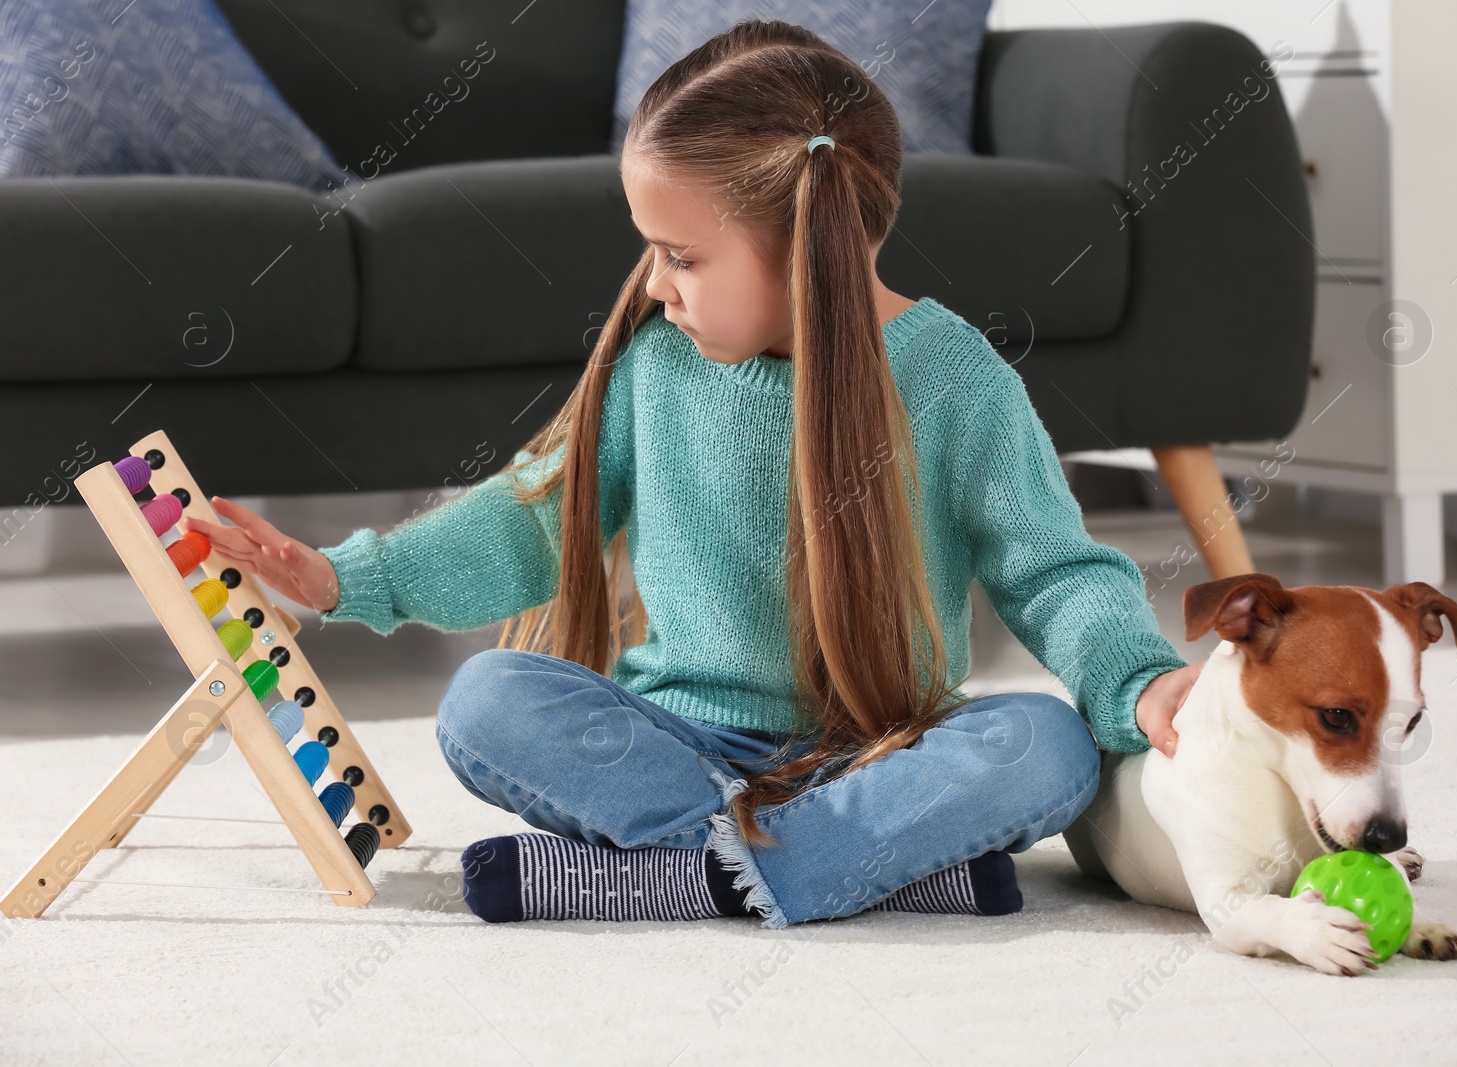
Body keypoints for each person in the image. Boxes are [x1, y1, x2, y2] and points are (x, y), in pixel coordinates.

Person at [181, 18, 1200, 930]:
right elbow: (538, 516)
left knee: (1046, 742)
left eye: (683, 256)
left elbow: (1052, 568)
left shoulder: (955, 378)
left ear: (806, 248)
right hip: (678, 743)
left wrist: (1138, 679)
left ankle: (683, 874)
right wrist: (346, 577)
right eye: (653, 253)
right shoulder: (657, 363)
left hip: (877, 749)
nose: (657, 285)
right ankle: (859, 867)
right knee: (486, 699)